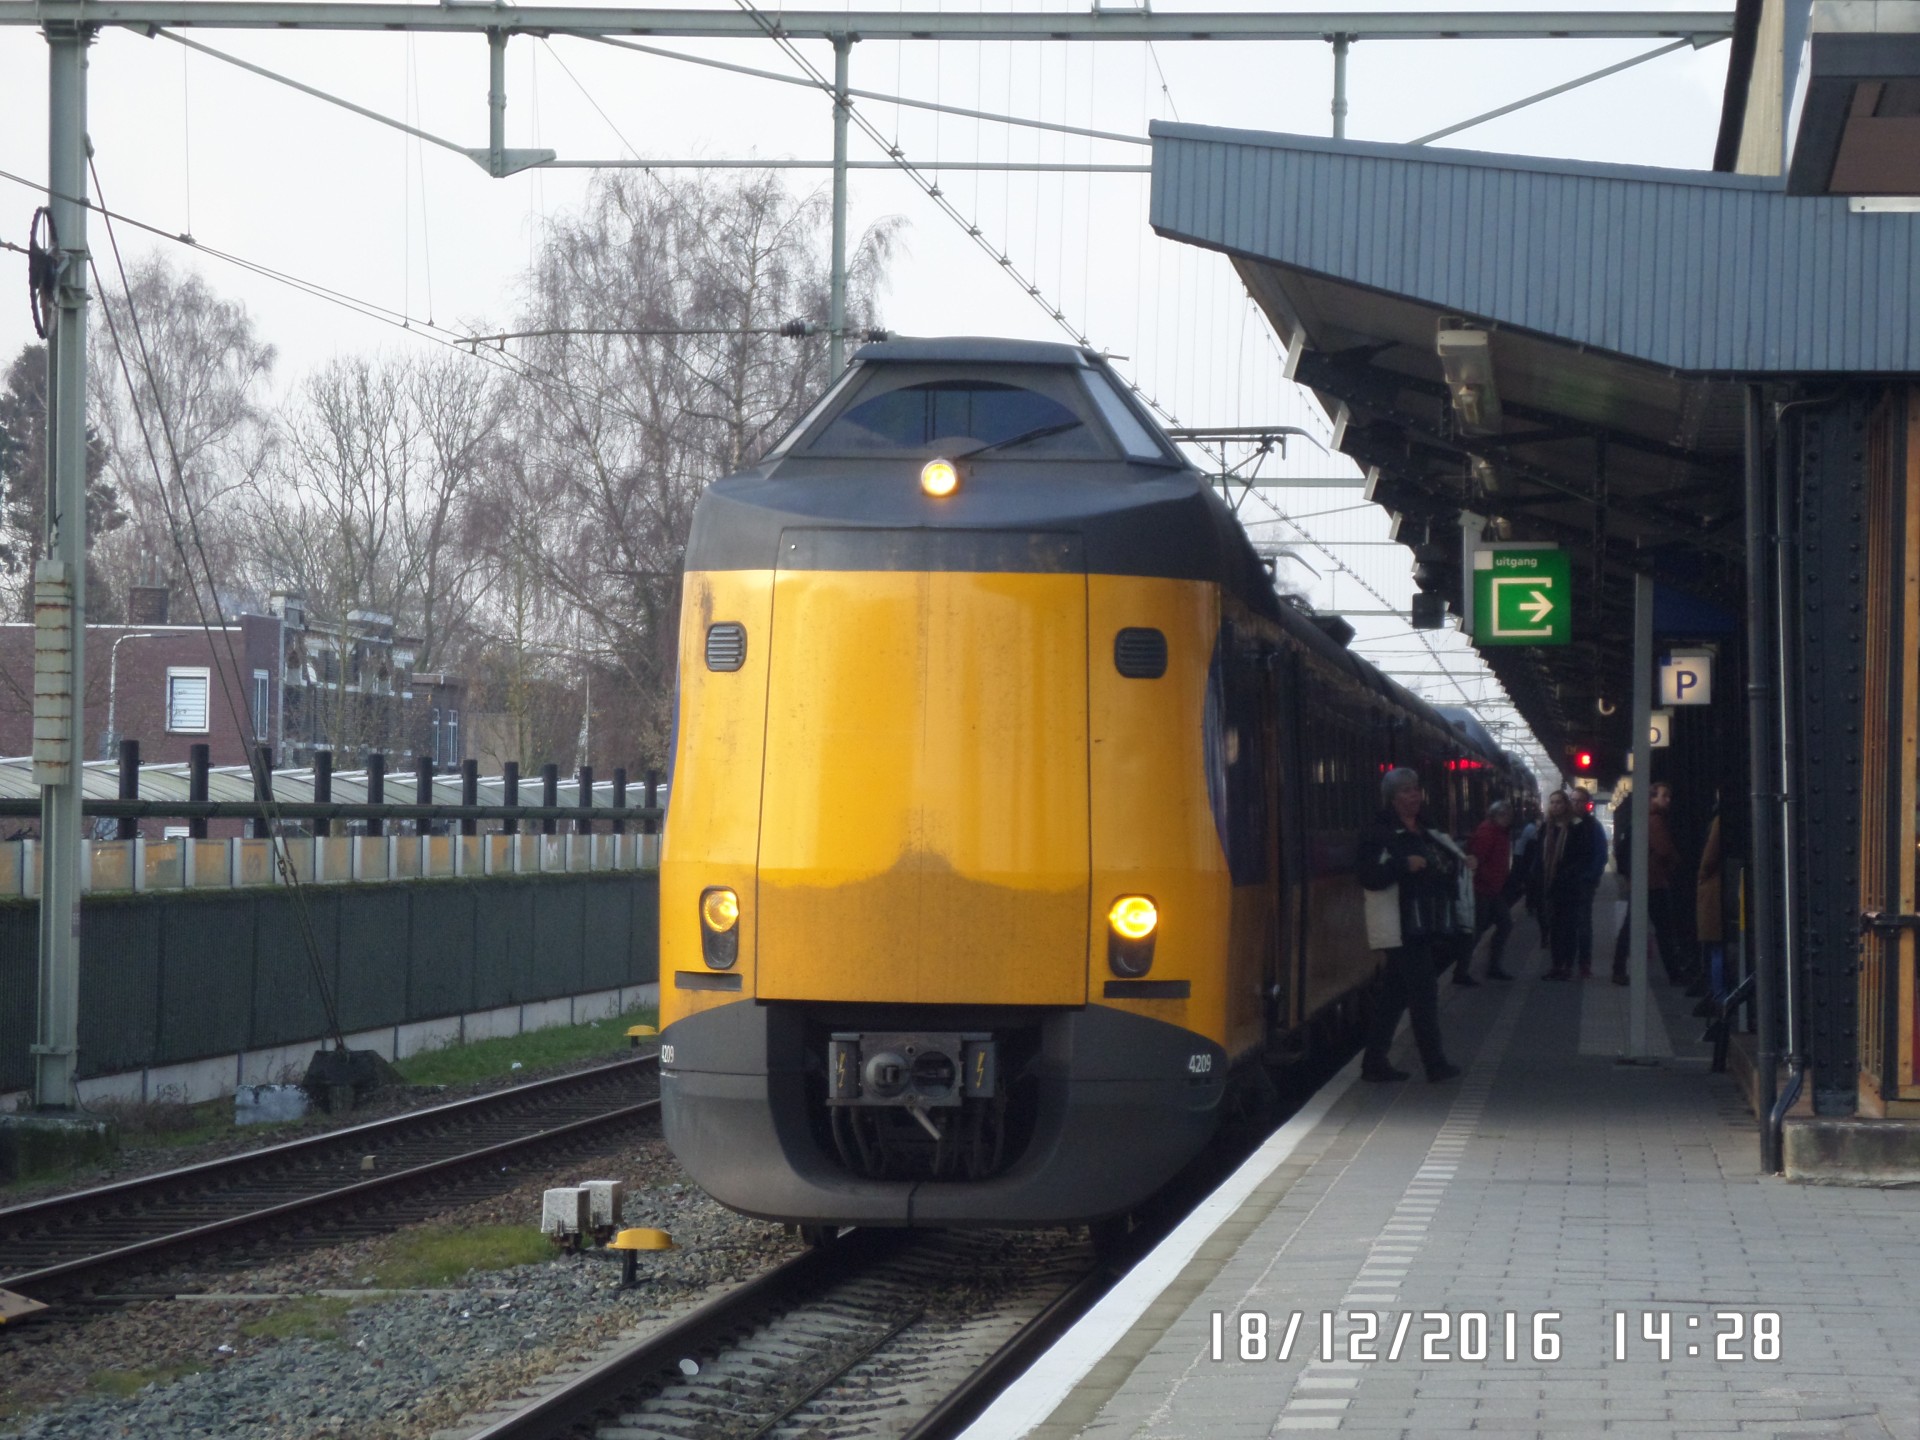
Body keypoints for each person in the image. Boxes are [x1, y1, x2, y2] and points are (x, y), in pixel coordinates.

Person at [1356, 768, 1464, 1084]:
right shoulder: (1378, 832)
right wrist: (1402, 864)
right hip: (1400, 925)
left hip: (1425, 923)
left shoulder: (1426, 827)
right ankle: (1435, 1064)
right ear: (1392, 797)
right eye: (1406, 791)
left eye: (1416, 789)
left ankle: (1373, 1063)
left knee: (1393, 996)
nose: (1414, 795)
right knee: (1424, 993)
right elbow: (1368, 876)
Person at [1537, 788, 1604, 981]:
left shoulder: (1583, 826)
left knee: (1577, 925)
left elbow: (1591, 856)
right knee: (1556, 925)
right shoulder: (1547, 826)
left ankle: (1578, 964)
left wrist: (1586, 877)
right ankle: (1558, 965)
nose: (1575, 804)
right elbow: (1539, 856)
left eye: (1578, 801)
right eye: (1553, 802)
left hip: (1574, 884)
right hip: (1552, 883)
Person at [1459, 800, 1516, 984]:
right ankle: (1462, 971)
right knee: (1477, 930)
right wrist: (1488, 879)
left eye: (1508, 815)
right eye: (1503, 815)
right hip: (1482, 889)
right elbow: (1476, 860)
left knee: (1502, 924)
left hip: (1492, 889)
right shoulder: (1487, 833)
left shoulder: (1500, 832)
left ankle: (1492, 966)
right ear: (1495, 815)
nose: (1507, 819)